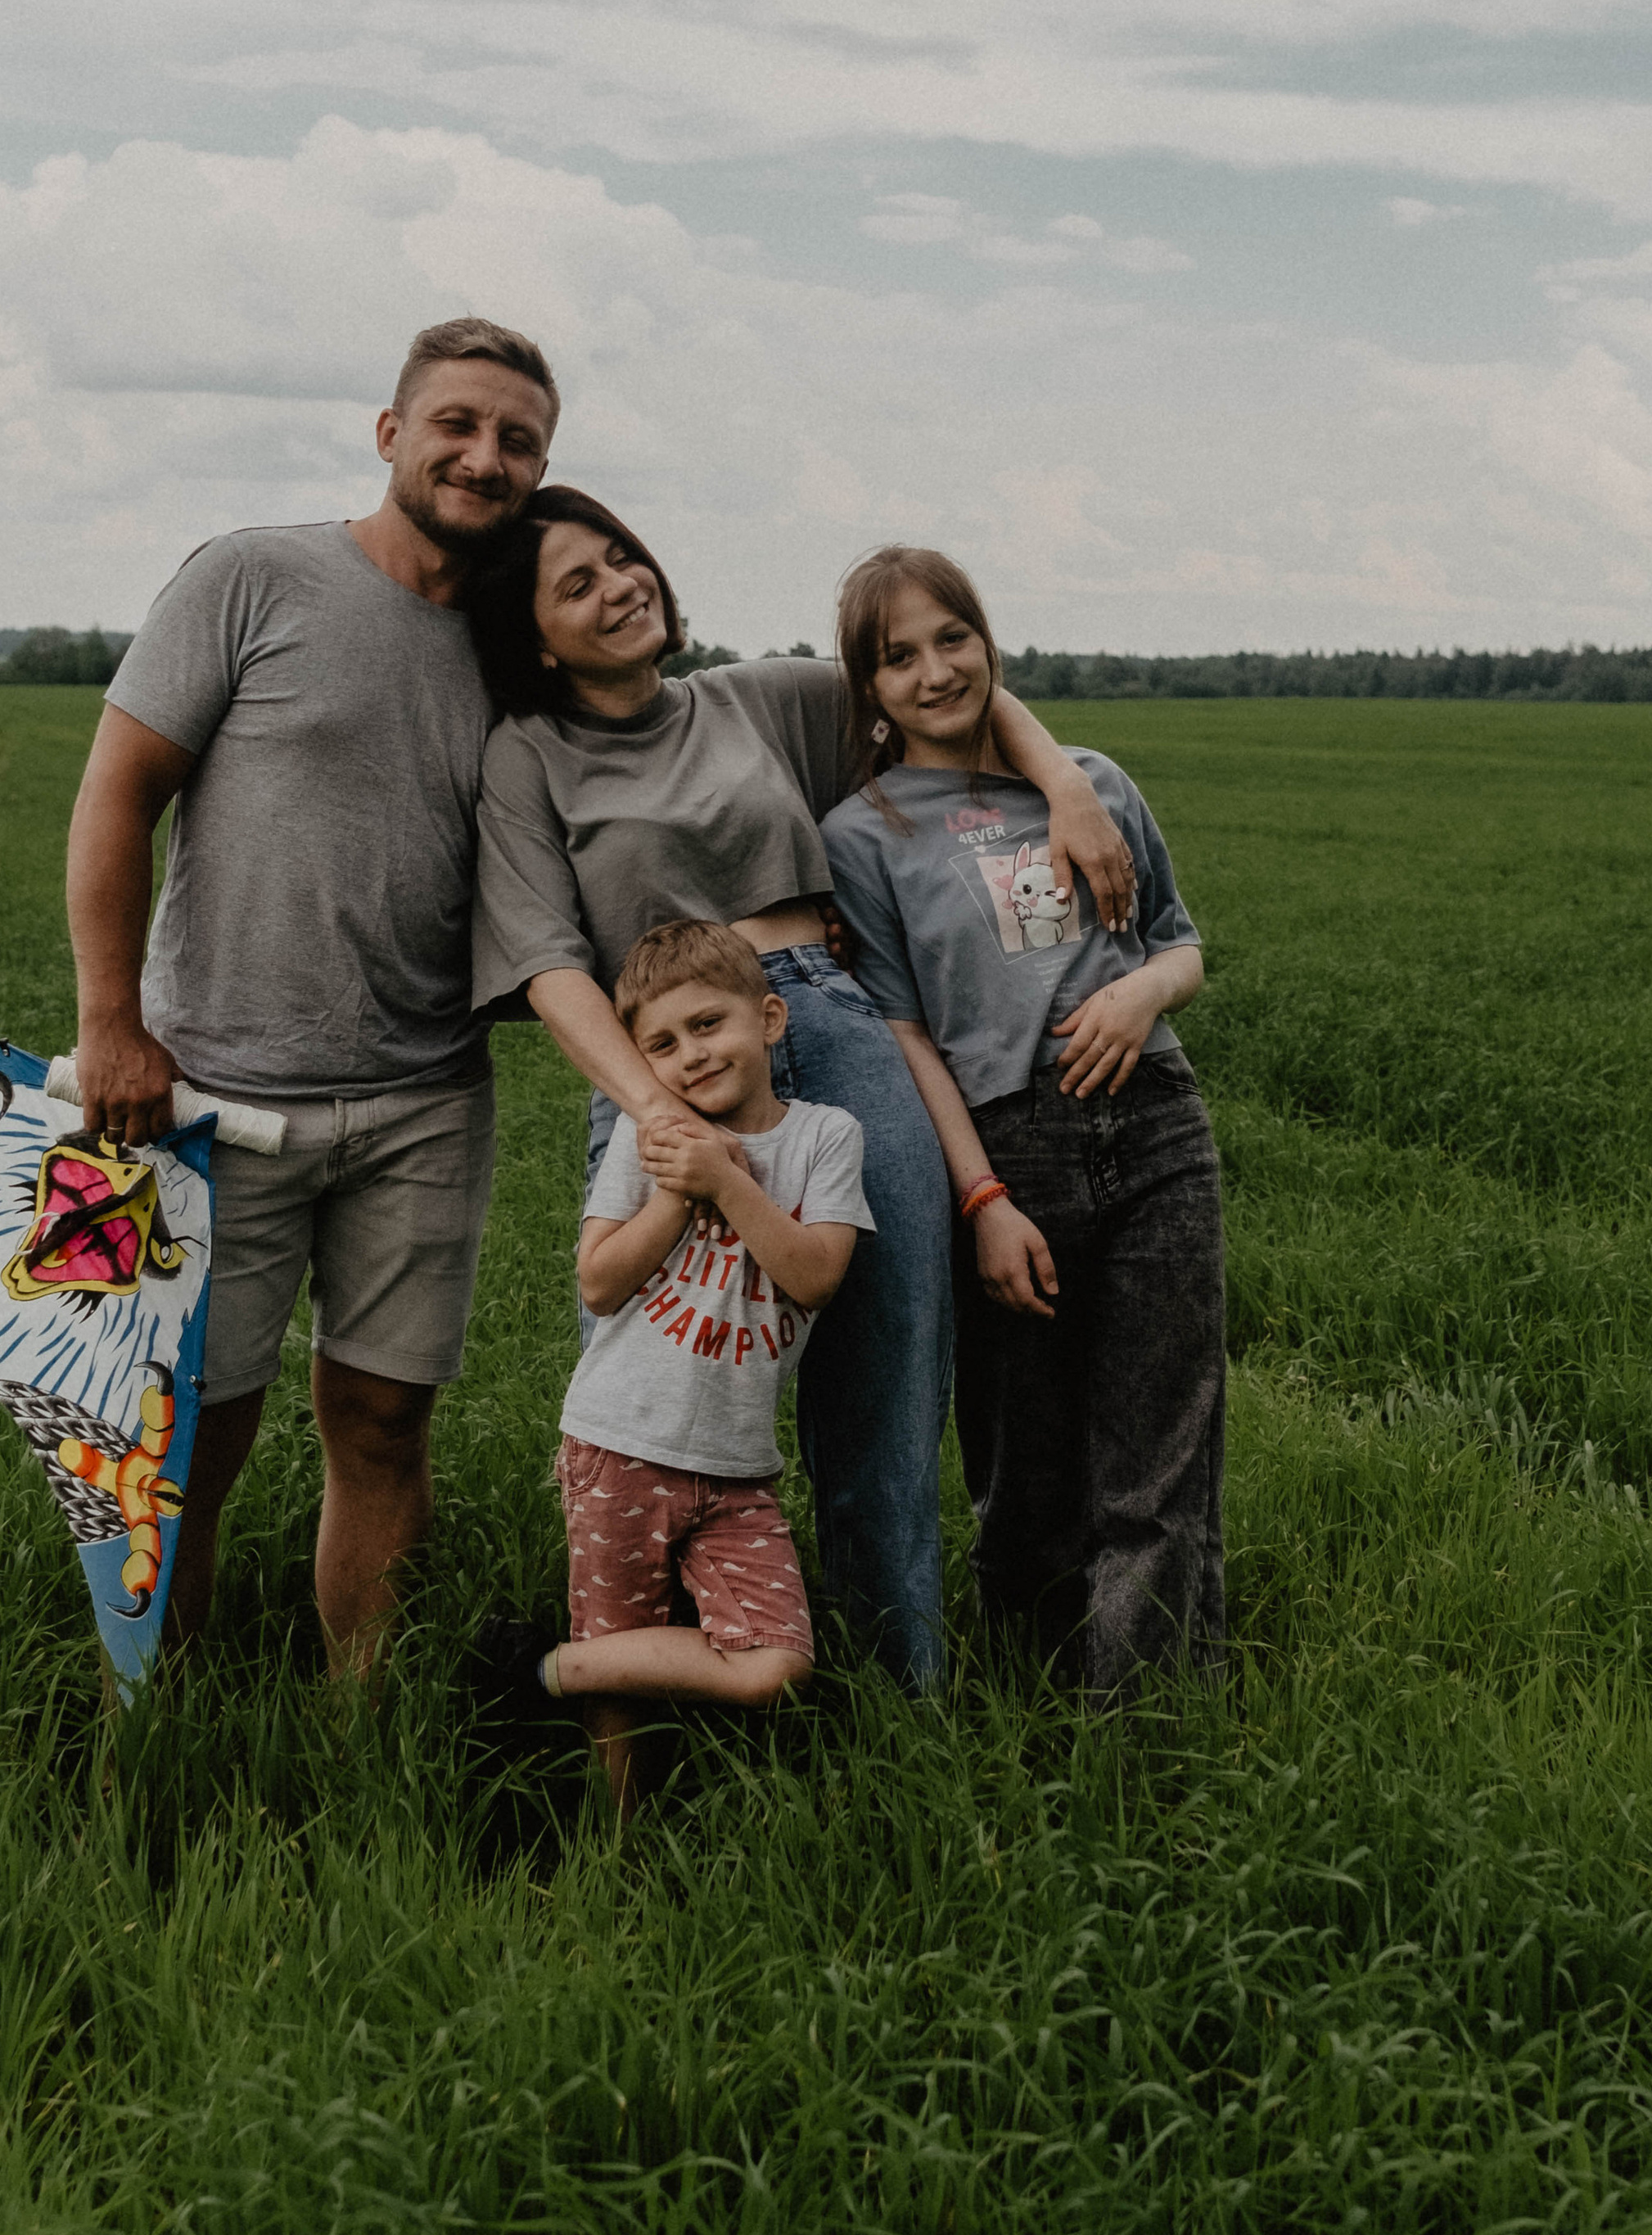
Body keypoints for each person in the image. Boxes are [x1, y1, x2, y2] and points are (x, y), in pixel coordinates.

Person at [464, 490, 1136, 1689]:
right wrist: (657, 1113)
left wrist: (1066, 785)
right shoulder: (526, 757)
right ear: (537, 640)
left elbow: (945, 694)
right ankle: (659, 1709)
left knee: (885, 1396)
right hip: (659, 1068)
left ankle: (896, 1701)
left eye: (621, 555)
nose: (619, 583)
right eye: (577, 584)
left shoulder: (756, 697)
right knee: (649, 1403)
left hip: (827, 1021)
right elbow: (549, 965)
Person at [65, 316, 559, 1680]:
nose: (485, 456)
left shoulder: (529, 648)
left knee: (386, 1426)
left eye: (519, 440)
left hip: (425, 1105)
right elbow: (117, 797)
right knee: (190, 1431)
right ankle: (149, 1725)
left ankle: (361, 1735)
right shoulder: (253, 575)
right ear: (391, 432)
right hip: (205, 1098)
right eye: (457, 423)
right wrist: (115, 1026)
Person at [821, 545, 1223, 1698]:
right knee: (1027, 1472)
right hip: (1009, 1148)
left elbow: (1181, 946)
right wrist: (981, 1199)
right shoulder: (865, 834)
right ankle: (1035, 1716)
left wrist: (1141, 992)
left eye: (954, 638)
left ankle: (1145, 1740)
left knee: (1164, 1463)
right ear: (869, 687)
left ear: (989, 643)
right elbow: (901, 1034)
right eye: (899, 657)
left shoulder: (1090, 780)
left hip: (1154, 1124)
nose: (935, 670)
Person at [478, 919, 876, 1810]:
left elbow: (813, 1277)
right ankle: (620, 1842)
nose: (690, 1056)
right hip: (619, 1443)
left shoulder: (826, 1138)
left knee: (774, 1662)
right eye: (660, 1044)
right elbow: (599, 1282)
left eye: (708, 1025)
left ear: (769, 1019)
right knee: (624, 1669)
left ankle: (538, 1669)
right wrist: (677, 1185)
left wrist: (730, 1181)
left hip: (739, 1471)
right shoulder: (645, 1133)